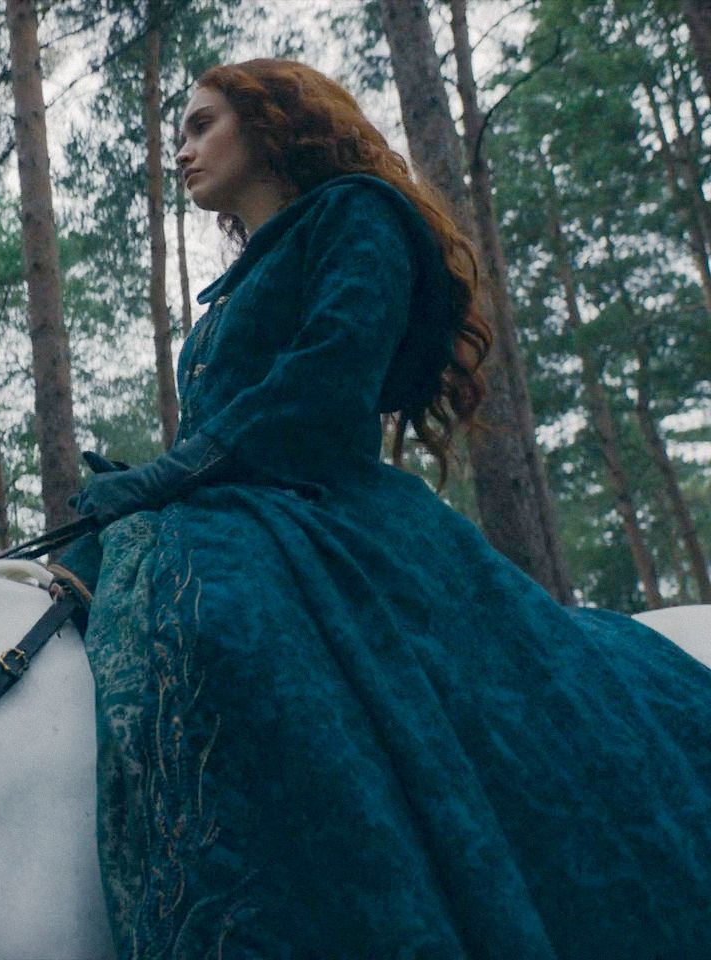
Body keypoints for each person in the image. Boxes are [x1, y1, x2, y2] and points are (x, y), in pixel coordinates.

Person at [62, 58, 711, 958]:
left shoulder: (359, 214)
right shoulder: (227, 298)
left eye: (203, 124)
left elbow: (327, 380)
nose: (181, 150)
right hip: (238, 504)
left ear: (273, 123)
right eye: (179, 132)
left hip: (330, 510)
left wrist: (179, 472)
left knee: (224, 623)